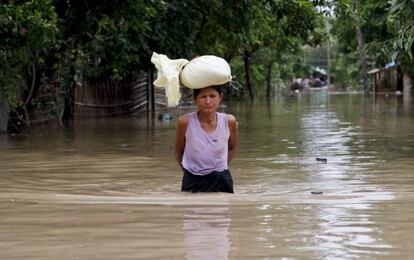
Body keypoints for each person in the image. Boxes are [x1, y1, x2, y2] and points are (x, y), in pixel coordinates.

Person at [175, 85, 238, 193]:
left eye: (212, 96)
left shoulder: (229, 121)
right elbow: (179, 151)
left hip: (221, 179)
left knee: (223, 209)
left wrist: (220, 166)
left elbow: (232, 148)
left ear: (220, 97)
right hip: (192, 178)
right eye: (203, 97)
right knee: (191, 209)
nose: (208, 101)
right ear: (195, 99)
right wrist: (189, 172)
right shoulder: (185, 121)